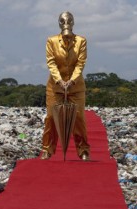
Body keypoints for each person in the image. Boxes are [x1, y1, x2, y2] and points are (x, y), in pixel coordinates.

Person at [40, 11, 90, 161]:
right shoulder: (51, 41)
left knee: (79, 118)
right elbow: (51, 62)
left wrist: (72, 80)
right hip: (55, 87)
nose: (67, 36)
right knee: (50, 118)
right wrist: (59, 81)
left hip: (76, 87)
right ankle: (47, 149)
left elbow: (81, 63)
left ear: (73, 24)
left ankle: (83, 150)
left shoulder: (81, 41)